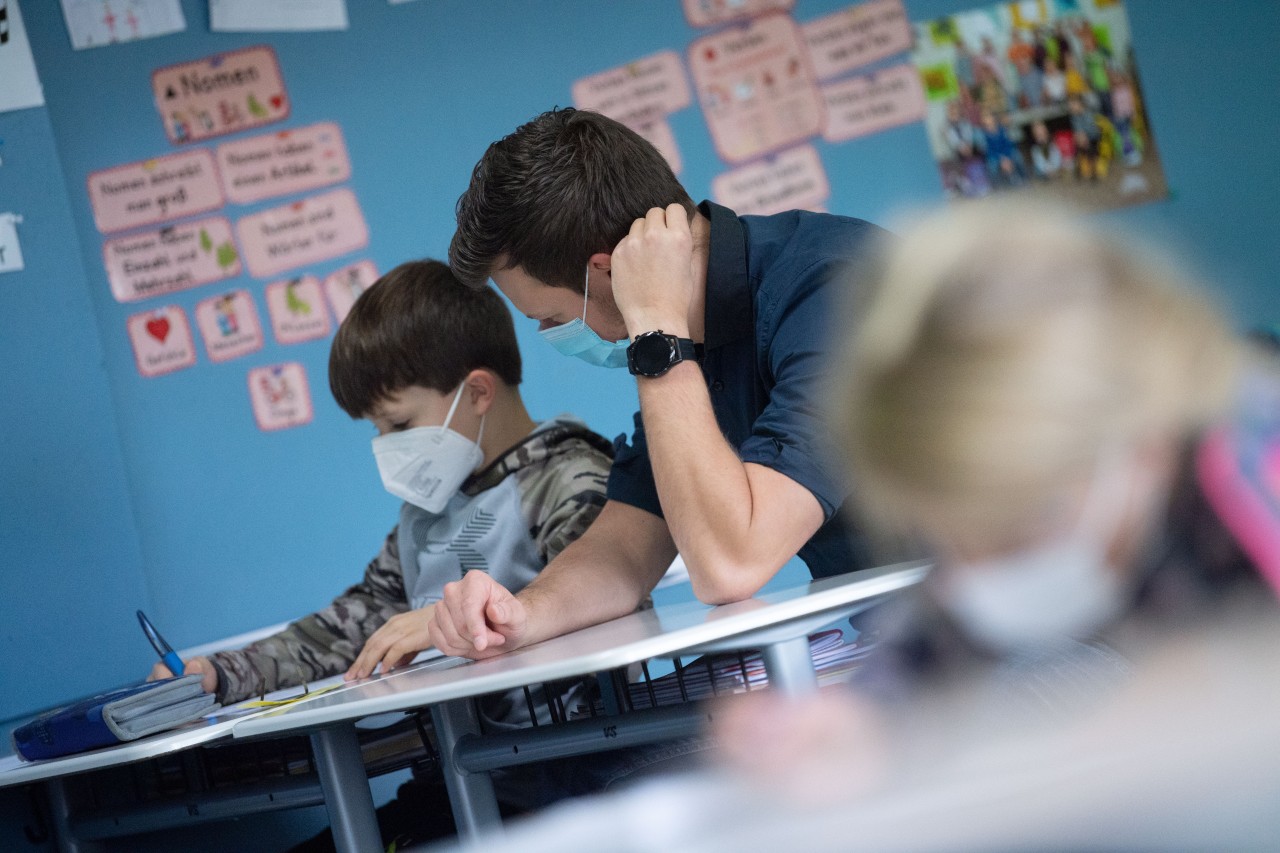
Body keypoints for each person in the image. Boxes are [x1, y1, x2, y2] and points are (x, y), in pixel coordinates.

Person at [149, 259, 615, 849]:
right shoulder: (429, 510)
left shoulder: (571, 478)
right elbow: (359, 621)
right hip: (456, 780)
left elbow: (602, 610)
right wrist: (220, 674)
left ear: (476, 393)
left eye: (397, 424)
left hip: (563, 789)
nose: (386, 448)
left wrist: (464, 623)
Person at [433, 107, 886, 661]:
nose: (554, 335)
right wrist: (521, 616)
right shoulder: (691, 345)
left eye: (550, 318)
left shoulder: (834, 289)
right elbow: (628, 544)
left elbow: (730, 565)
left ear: (608, 271)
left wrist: (654, 330)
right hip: (913, 645)